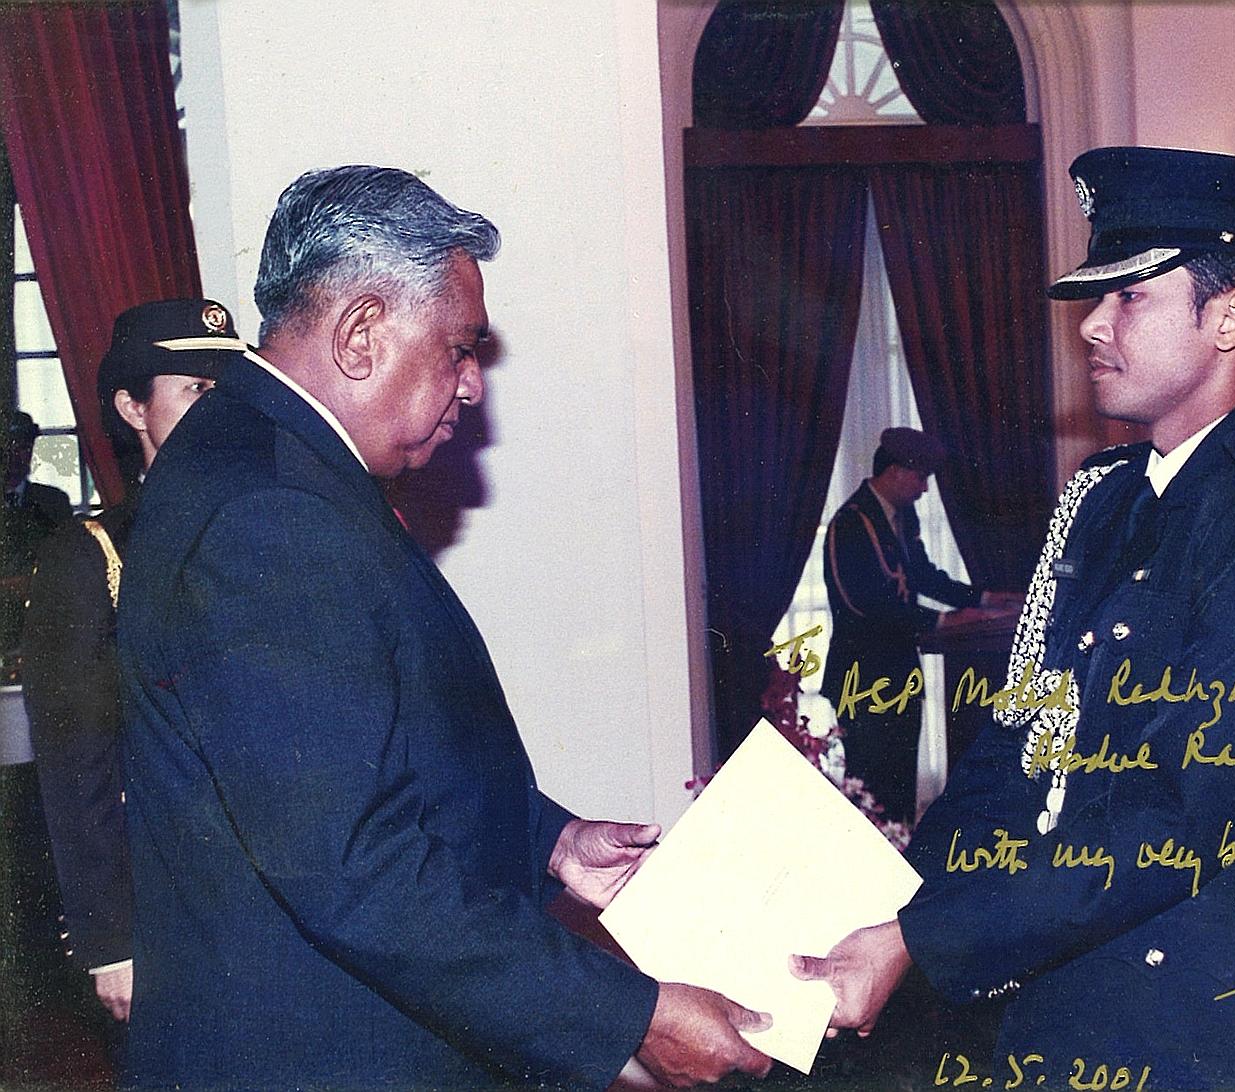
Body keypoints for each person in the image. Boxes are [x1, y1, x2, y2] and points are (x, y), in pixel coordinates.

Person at [115, 167, 771, 1089]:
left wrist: (545, 840)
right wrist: (633, 1015)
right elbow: (355, 868)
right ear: (360, 334)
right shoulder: (274, 511)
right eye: (460, 348)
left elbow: (366, 758)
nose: (471, 386)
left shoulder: (265, 460)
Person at [797, 147, 1235, 1089]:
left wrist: (923, 940)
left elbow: (1181, 814)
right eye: (1094, 298)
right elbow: (1016, 744)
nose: (1092, 327)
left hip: (1198, 1019)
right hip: (1051, 984)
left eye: (1131, 297)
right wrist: (904, 905)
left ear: (1230, 318)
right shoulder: (1103, 496)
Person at [23, 299, 240, 1033]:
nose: (218, 409)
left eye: (227, 390)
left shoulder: (270, 534)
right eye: (194, 389)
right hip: (164, 901)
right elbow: (75, 763)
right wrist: (110, 940)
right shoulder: (92, 557)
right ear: (131, 407)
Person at [822, 428, 1007, 824]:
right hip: (862, 680)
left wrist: (986, 600)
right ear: (894, 472)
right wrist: (943, 619)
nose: (924, 489)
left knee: (901, 788)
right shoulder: (850, 524)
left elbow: (923, 576)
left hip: (900, 672)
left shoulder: (901, 517)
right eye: (920, 477)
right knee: (871, 793)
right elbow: (867, 606)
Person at [1, 411, 72, 668]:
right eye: (6, 447)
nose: (14, 456)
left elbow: (68, 568)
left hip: (42, 632)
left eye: (23, 447)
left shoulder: (53, 503)